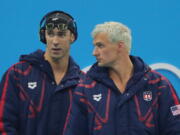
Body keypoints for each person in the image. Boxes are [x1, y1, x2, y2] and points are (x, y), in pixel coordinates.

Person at [65, 21, 180, 135]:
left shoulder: (159, 84)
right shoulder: (85, 88)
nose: (94, 52)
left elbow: (175, 129)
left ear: (120, 46)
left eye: (100, 45)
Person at [0, 10, 83, 135]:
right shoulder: (18, 74)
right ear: (44, 37)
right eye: (50, 34)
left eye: (61, 34)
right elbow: (4, 124)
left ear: (72, 37)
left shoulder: (83, 83)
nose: (55, 41)